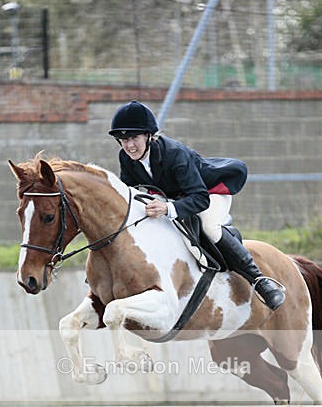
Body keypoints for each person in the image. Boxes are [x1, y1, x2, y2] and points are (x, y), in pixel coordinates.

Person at [108, 100, 285, 311]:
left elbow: (200, 198)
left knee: (209, 226)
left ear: (148, 135)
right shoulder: (126, 157)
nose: (129, 146)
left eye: (134, 138)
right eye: (123, 140)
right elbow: (130, 192)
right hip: (174, 197)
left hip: (208, 192)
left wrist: (167, 208)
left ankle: (260, 281)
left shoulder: (174, 153)